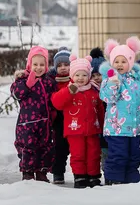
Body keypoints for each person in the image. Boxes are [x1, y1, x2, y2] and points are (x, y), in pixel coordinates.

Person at [99, 36, 140, 185]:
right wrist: (113, 84)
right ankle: (114, 178)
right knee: (118, 155)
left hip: (135, 128)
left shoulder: (138, 82)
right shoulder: (108, 80)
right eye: (116, 61)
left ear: (130, 62)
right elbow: (107, 98)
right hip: (116, 128)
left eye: (123, 61)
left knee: (134, 154)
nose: (119, 65)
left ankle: (131, 179)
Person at [51, 55, 105, 188]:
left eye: (84, 75)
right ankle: (79, 176)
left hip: (92, 129)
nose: (81, 78)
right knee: (78, 154)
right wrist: (69, 92)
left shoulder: (93, 91)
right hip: (74, 131)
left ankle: (93, 176)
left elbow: (100, 109)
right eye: (77, 75)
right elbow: (56, 103)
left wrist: (103, 125)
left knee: (93, 154)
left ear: (89, 76)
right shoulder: (69, 90)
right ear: (72, 76)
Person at [11, 46, 57, 182]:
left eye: (42, 65)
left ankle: (42, 172)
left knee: (45, 148)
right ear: (29, 65)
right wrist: (27, 84)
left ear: (46, 66)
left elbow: (53, 99)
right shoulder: (21, 80)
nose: (38, 68)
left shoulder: (49, 82)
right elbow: (16, 94)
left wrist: (53, 112)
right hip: (27, 124)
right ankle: (28, 172)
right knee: (28, 148)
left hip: (45, 123)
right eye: (35, 64)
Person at [48, 46, 71, 184]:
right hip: (59, 120)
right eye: (60, 65)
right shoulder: (52, 81)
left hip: (74, 117)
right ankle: (58, 172)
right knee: (59, 147)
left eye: (66, 64)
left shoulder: (76, 78)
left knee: (76, 147)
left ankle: (80, 172)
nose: (63, 68)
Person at [89, 47, 108, 174]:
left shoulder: (110, 87)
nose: (96, 78)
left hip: (109, 124)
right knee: (96, 149)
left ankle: (107, 170)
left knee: (106, 148)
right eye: (93, 75)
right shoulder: (89, 89)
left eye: (99, 75)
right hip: (95, 125)